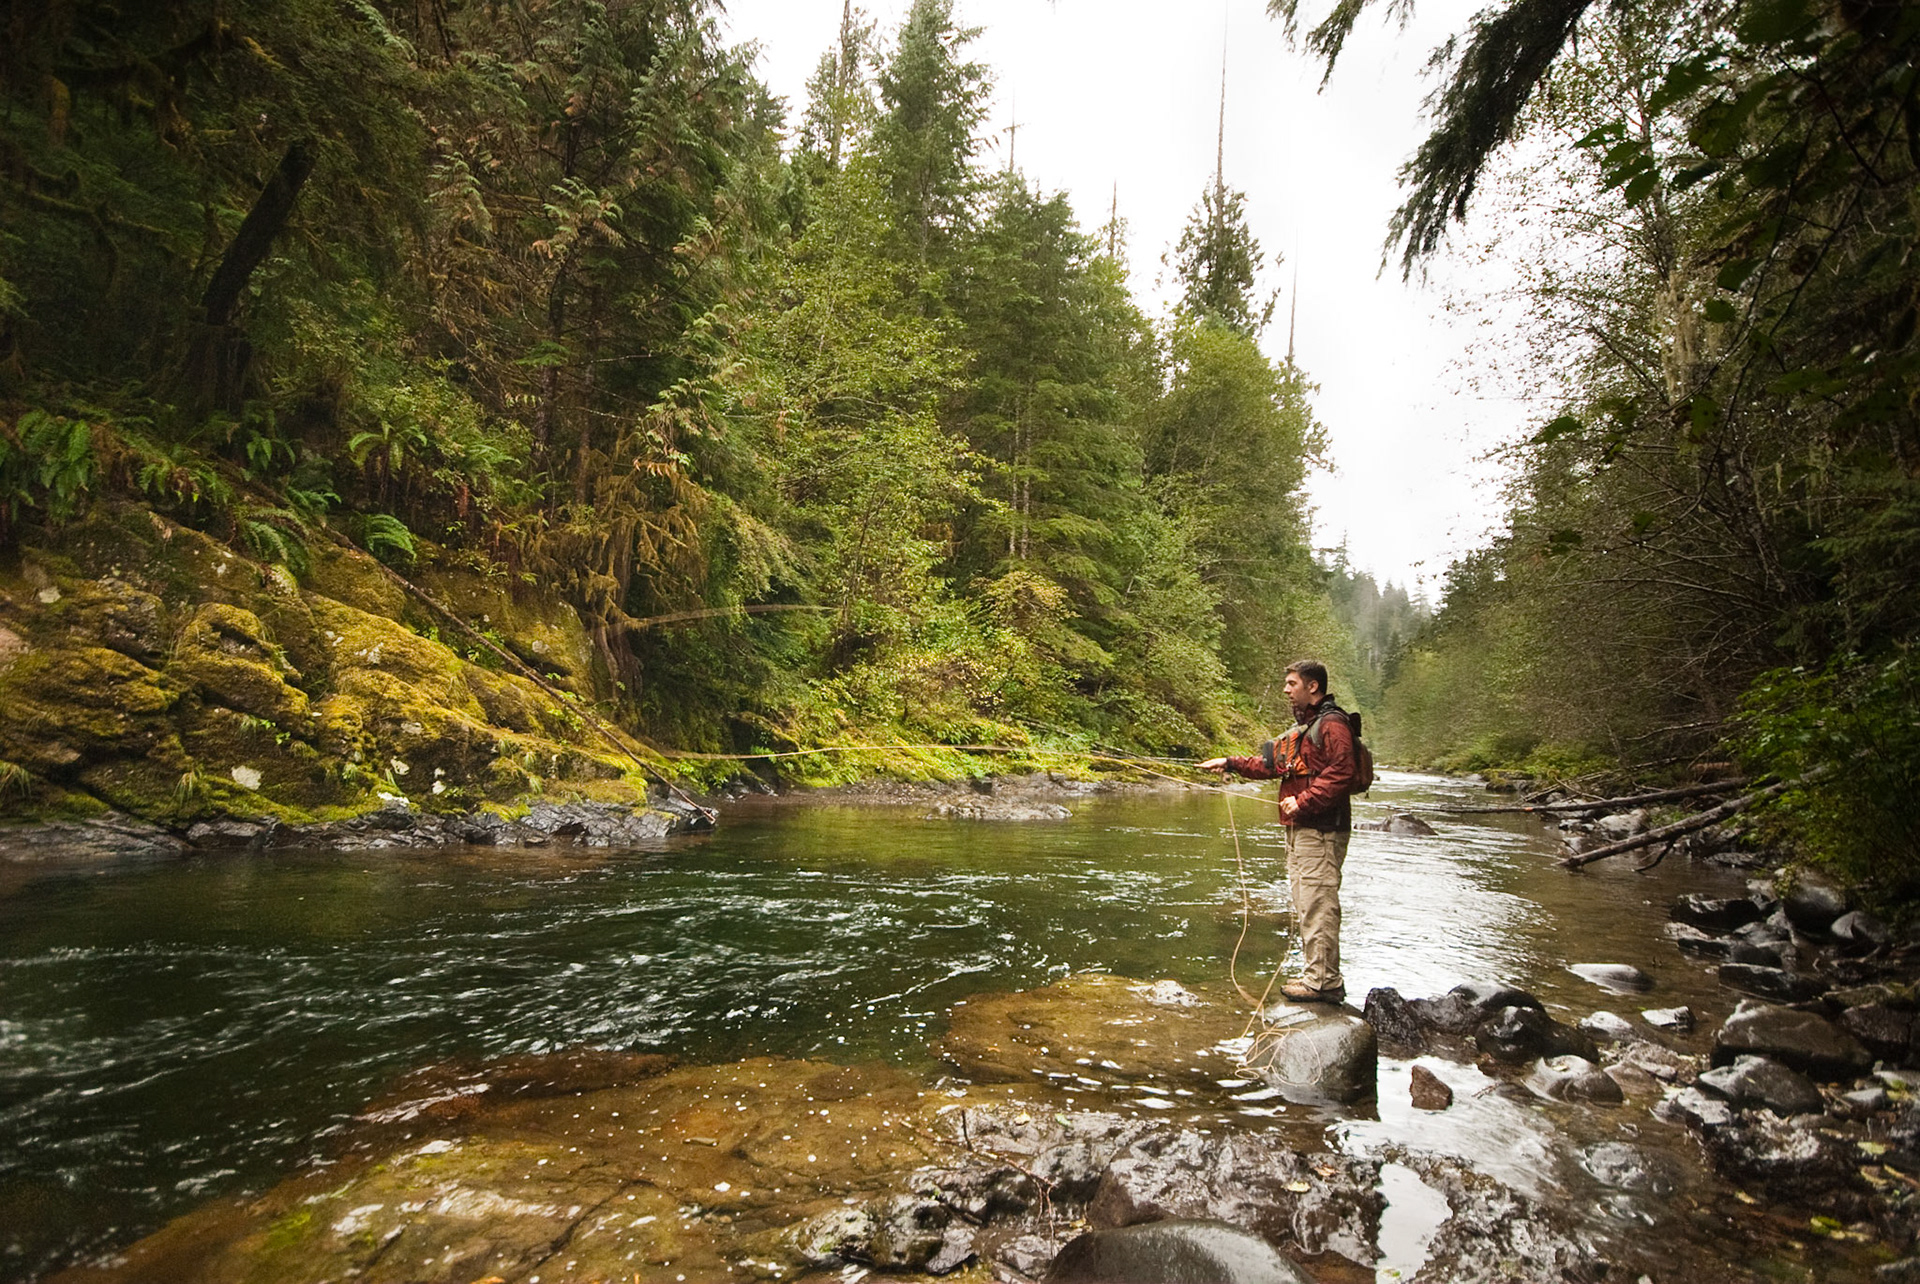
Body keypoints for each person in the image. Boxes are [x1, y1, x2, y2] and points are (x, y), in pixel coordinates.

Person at [1199, 659, 1358, 1004]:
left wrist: (1304, 801)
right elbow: (1270, 765)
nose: (1286, 690)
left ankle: (1324, 982)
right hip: (1303, 828)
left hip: (1321, 829)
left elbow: (1342, 771)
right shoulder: (1305, 729)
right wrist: (1229, 762)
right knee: (1306, 903)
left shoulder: (1332, 725)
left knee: (1318, 903)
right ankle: (1317, 975)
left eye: (1291, 684)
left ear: (1312, 686)